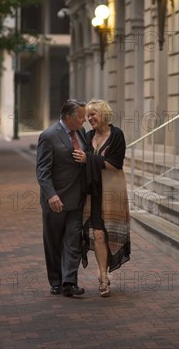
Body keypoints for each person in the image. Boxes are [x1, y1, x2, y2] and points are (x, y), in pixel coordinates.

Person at [73, 99, 131, 297]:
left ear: (103, 114)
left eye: (93, 114)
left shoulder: (117, 135)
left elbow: (115, 164)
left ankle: (105, 271)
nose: (89, 119)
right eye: (88, 115)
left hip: (112, 191)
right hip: (93, 192)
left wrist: (89, 159)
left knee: (109, 233)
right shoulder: (87, 136)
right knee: (97, 234)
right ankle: (103, 277)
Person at [36, 99, 87, 297]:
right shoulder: (48, 136)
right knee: (53, 241)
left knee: (73, 240)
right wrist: (51, 195)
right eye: (80, 117)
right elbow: (42, 170)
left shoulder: (81, 133)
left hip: (76, 198)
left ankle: (69, 282)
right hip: (56, 200)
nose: (84, 121)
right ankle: (56, 281)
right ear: (68, 117)